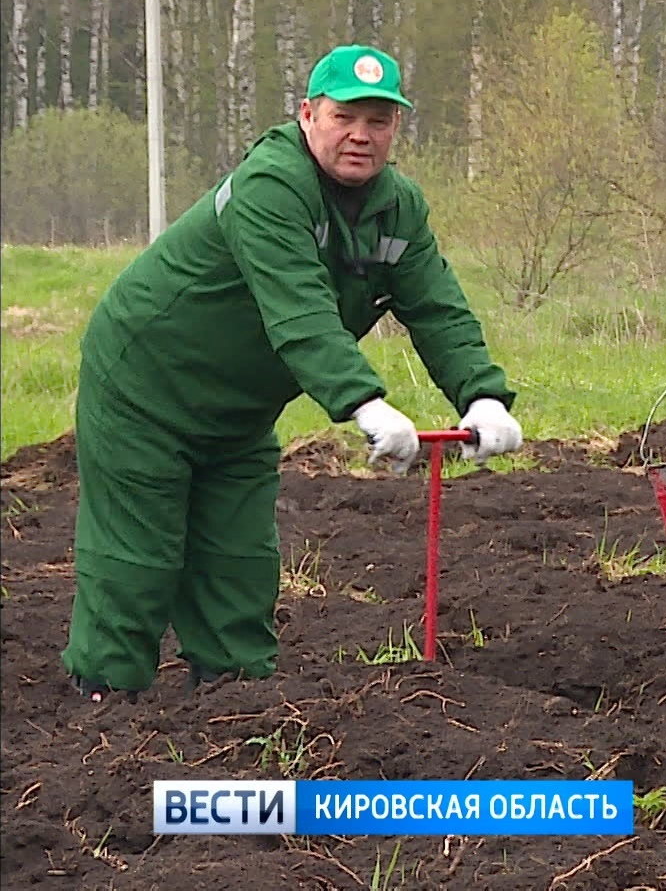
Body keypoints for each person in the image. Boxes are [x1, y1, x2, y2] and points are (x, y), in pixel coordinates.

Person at [63, 45, 524, 702]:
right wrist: (365, 404)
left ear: (396, 126)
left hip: (241, 408)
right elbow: (300, 311)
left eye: (378, 120)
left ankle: (234, 698)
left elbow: (437, 308)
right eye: (344, 117)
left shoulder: (398, 208)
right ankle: (106, 701)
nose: (361, 134)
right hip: (146, 385)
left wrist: (483, 395)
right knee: (137, 558)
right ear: (307, 115)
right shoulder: (271, 186)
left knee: (239, 560)